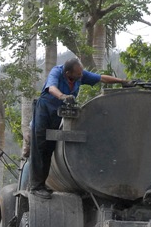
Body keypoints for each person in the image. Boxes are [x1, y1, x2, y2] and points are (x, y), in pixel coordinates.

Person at [29, 58, 130, 199]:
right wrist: (63, 96)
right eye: (78, 73)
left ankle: (42, 184)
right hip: (44, 110)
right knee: (40, 147)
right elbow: (51, 88)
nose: (81, 75)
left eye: (81, 72)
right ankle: (35, 187)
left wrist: (122, 81)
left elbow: (102, 79)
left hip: (58, 113)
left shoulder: (80, 74)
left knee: (50, 148)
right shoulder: (56, 72)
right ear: (68, 73)